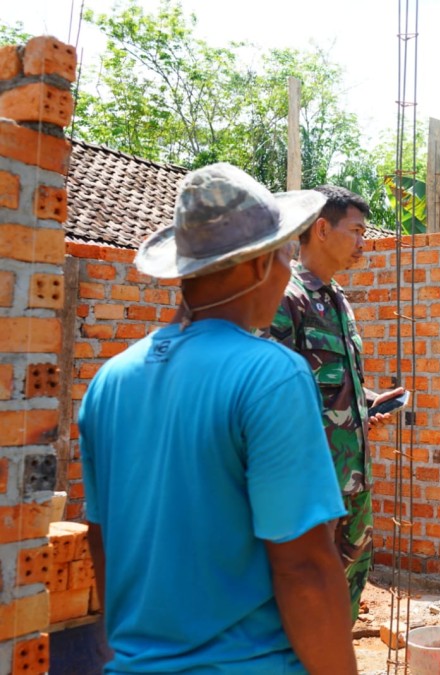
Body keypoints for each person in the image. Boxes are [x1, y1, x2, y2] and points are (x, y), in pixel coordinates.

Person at [79, 164, 358, 673]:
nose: (285, 271)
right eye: (282, 255)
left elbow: (100, 538)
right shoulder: (271, 376)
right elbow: (304, 568)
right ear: (254, 266)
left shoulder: (109, 382)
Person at [265, 184, 403, 623]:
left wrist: (369, 402)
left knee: (343, 603)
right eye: (357, 230)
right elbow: (271, 400)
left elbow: (333, 383)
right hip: (311, 493)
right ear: (321, 229)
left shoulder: (338, 301)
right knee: (301, 609)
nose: (364, 241)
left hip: (353, 485)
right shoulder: (286, 300)